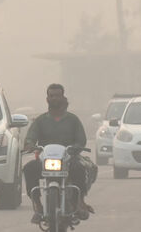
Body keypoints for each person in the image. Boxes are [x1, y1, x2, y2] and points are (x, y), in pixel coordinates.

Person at [23, 83, 91, 223]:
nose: (54, 98)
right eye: (51, 96)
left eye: (57, 96)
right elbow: (31, 137)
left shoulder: (73, 119)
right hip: (45, 161)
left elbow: (81, 140)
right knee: (29, 168)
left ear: (63, 97)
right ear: (47, 98)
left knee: (79, 168)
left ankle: (78, 202)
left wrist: (75, 148)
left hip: (68, 159)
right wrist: (30, 145)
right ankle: (37, 205)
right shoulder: (40, 120)